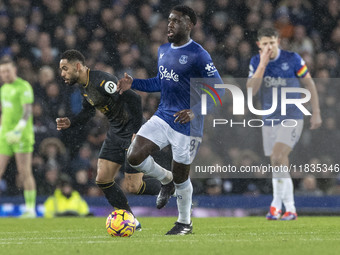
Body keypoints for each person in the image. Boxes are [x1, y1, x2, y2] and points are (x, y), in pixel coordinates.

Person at [118, 5, 224, 235]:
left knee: (182, 177)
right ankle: (165, 180)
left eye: (176, 20)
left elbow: (219, 90)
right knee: (134, 155)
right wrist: (133, 83)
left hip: (187, 125)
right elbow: (160, 82)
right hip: (163, 116)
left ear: (189, 25)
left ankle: (185, 223)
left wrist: (195, 110)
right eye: (169, 20)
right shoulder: (163, 50)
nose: (170, 24)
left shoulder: (199, 54)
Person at [57, 49, 162, 229]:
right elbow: (88, 111)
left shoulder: (102, 81)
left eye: (65, 69)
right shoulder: (83, 86)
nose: (62, 74)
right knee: (103, 179)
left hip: (132, 131)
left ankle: (175, 187)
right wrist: (71, 122)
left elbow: (135, 99)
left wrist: (137, 131)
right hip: (115, 132)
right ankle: (131, 220)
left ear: (78, 66)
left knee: (133, 187)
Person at [247, 27, 322, 220]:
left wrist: (316, 112)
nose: (269, 46)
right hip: (269, 120)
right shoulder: (255, 62)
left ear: (278, 41)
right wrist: (262, 65)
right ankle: (290, 209)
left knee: (277, 156)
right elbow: (251, 91)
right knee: (278, 163)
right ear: (259, 45)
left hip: (292, 117)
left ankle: (274, 206)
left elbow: (309, 83)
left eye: (272, 42)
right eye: (265, 44)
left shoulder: (293, 59)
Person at [0, 58, 37, 218]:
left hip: (21, 135)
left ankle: (30, 209)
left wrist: (18, 130)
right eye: (2, 72)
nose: (4, 74)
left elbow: (27, 111)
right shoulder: (4, 89)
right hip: (5, 135)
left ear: (14, 70)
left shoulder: (23, 87)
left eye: (7, 70)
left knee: (24, 172)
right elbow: (4, 112)